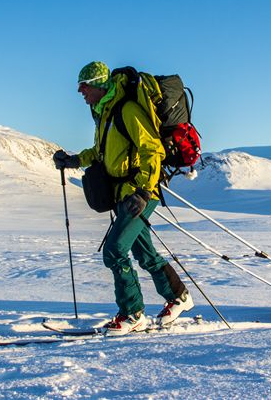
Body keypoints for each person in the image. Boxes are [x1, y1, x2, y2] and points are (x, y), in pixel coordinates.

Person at [53, 61, 194, 335]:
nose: (81, 92)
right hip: (124, 195)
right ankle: (179, 297)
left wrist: (143, 191)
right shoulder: (104, 113)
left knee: (115, 251)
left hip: (139, 193)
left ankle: (132, 314)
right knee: (144, 253)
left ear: (99, 84)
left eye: (84, 86)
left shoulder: (126, 110)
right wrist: (73, 160)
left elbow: (151, 149)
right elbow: (100, 152)